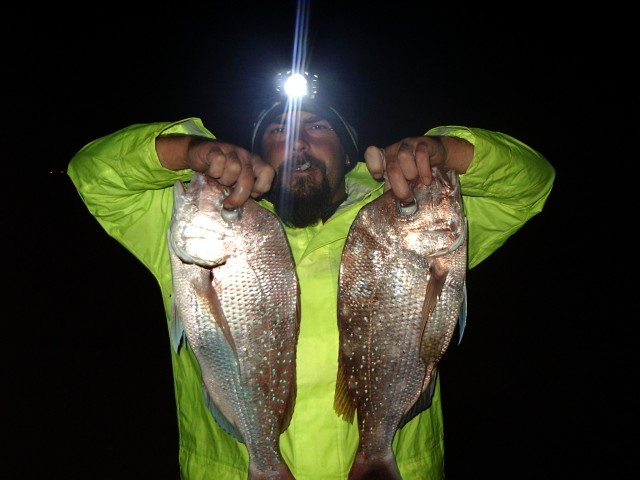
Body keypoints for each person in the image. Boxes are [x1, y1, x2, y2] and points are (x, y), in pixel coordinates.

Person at [67, 71, 555, 479]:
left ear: (347, 152)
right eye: (278, 131)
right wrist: (190, 151)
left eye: (318, 126)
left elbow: (532, 184)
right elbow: (93, 173)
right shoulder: (191, 230)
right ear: (257, 158)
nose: (298, 141)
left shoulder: (417, 221)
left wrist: (445, 151)